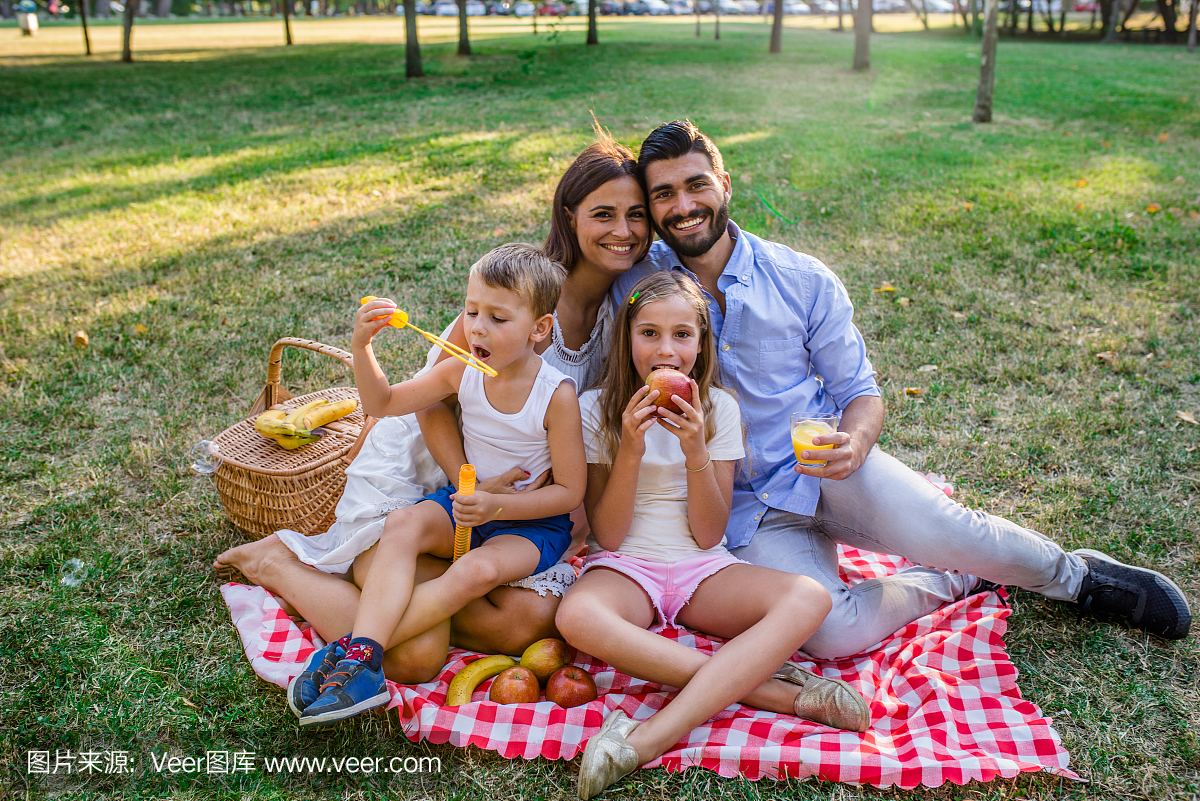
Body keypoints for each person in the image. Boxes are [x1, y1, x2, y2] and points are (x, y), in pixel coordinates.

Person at [610, 120, 1191, 660]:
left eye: (696, 185)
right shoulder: (639, 286)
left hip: (823, 468)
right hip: (742, 513)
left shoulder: (801, 279)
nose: (683, 207)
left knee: (950, 529)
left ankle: (1080, 579)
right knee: (829, 635)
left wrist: (855, 446)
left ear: (725, 184)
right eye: (664, 195)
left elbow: (860, 391)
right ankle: (949, 579)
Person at [212, 134, 650, 695]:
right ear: (570, 216)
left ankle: (375, 618)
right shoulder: (500, 308)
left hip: (506, 511)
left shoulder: (624, 311)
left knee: (522, 622)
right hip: (431, 481)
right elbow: (413, 408)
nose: (623, 229)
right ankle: (284, 570)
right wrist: (468, 480)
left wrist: (504, 501)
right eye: (603, 213)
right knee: (417, 657)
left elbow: (571, 468)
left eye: (636, 215)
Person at [557, 272, 870, 799]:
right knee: (576, 616)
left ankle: (647, 738)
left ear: (701, 342)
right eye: (649, 333)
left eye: (682, 334)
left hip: (702, 568)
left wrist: (697, 451)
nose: (666, 350)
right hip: (625, 566)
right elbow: (608, 535)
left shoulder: (718, 408)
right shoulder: (595, 410)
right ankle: (774, 693)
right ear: (626, 337)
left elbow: (707, 535)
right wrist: (629, 451)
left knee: (810, 596)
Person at [296, 243, 586, 727]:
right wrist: (362, 348)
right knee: (405, 522)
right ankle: (363, 656)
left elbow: (571, 493)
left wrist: (495, 506)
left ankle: (344, 655)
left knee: (475, 572)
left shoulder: (555, 396)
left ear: (540, 329)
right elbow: (384, 402)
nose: (476, 327)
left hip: (529, 524)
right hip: (469, 502)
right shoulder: (461, 369)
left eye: (498, 317)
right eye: (472, 310)